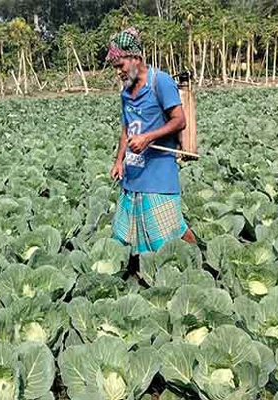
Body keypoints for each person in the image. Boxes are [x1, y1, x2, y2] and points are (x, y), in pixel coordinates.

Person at [107, 27, 197, 255]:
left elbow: (180, 121)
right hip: (134, 173)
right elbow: (126, 129)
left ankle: (197, 262)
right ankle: (143, 270)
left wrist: (148, 138)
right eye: (115, 68)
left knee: (172, 228)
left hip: (158, 174)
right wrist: (119, 161)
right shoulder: (126, 91)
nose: (119, 72)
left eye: (121, 66)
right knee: (126, 232)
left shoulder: (161, 82)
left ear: (136, 58)